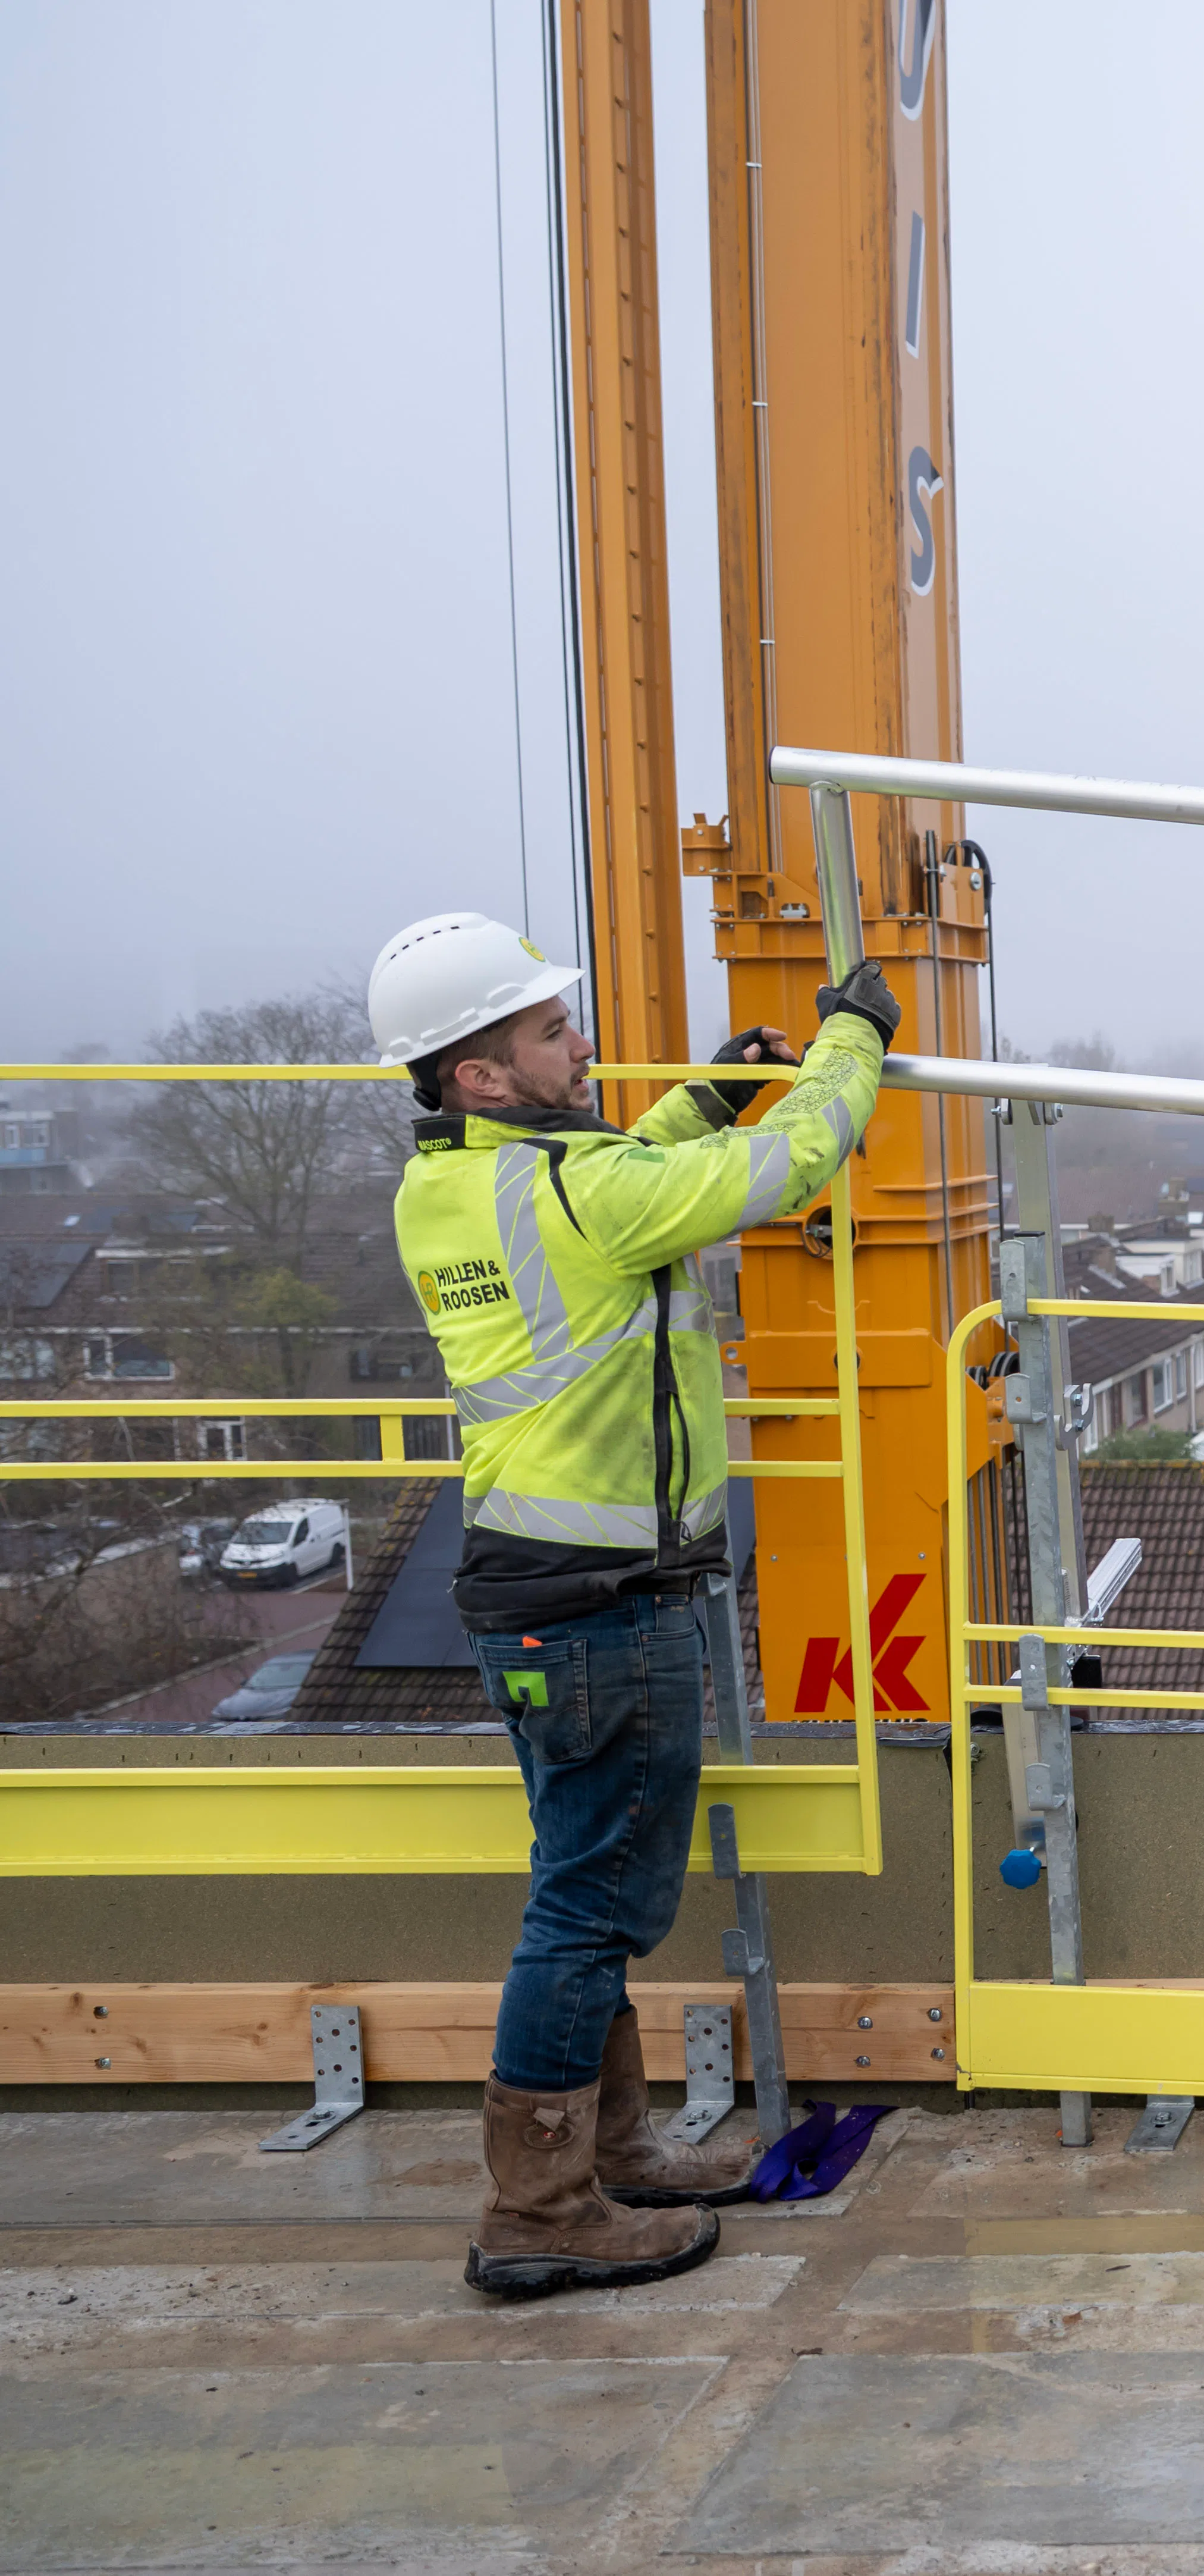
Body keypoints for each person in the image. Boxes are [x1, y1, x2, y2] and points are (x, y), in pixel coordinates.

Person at [369, 912, 898, 2298]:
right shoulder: (582, 1189)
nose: (584, 1043)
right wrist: (850, 1042)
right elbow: (785, 1166)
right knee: (590, 1907)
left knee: (579, 1884)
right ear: (480, 1073)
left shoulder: (449, 1183)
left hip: (533, 1594)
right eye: (552, 1031)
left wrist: (703, 1095)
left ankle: (605, 2157)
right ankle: (540, 2205)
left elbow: (601, 1177)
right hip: (604, 1606)